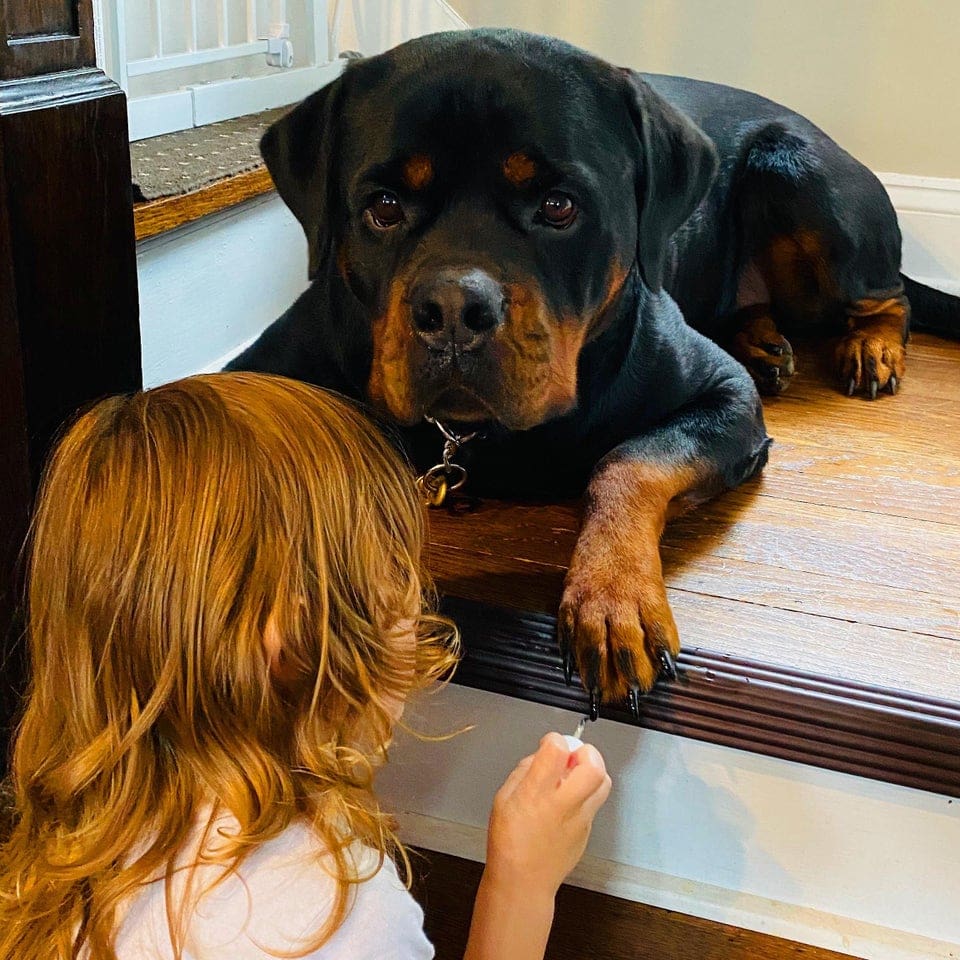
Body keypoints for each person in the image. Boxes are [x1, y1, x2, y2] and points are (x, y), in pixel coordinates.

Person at [0, 373, 611, 960]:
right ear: (296, 642)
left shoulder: (74, 846)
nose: (417, 602)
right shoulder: (325, 922)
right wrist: (523, 880)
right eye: (398, 577)